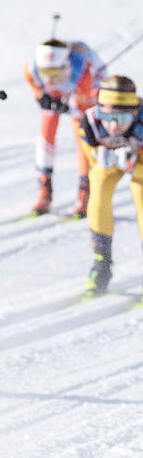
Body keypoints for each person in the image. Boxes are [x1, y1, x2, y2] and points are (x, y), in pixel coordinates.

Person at [24, 37, 106, 218]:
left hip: (88, 89)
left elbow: (82, 107)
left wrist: (69, 105)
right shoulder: (33, 68)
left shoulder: (82, 70)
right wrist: (40, 96)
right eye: (45, 72)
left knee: (83, 135)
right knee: (45, 133)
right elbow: (34, 83)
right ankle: (44, 190)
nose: (49, 78)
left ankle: (84, 192)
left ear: (65, 66)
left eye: (54, 72)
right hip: (64, 89)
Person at [76, 75, 143, 297]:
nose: (114, 125)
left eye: (122, 117)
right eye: (108, 116)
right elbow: (91, 158)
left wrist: (135, 164)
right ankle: (101, 267)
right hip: (111, 160)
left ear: (134, 113)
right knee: (99, 187)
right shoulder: (90, 123)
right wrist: (99, 158)